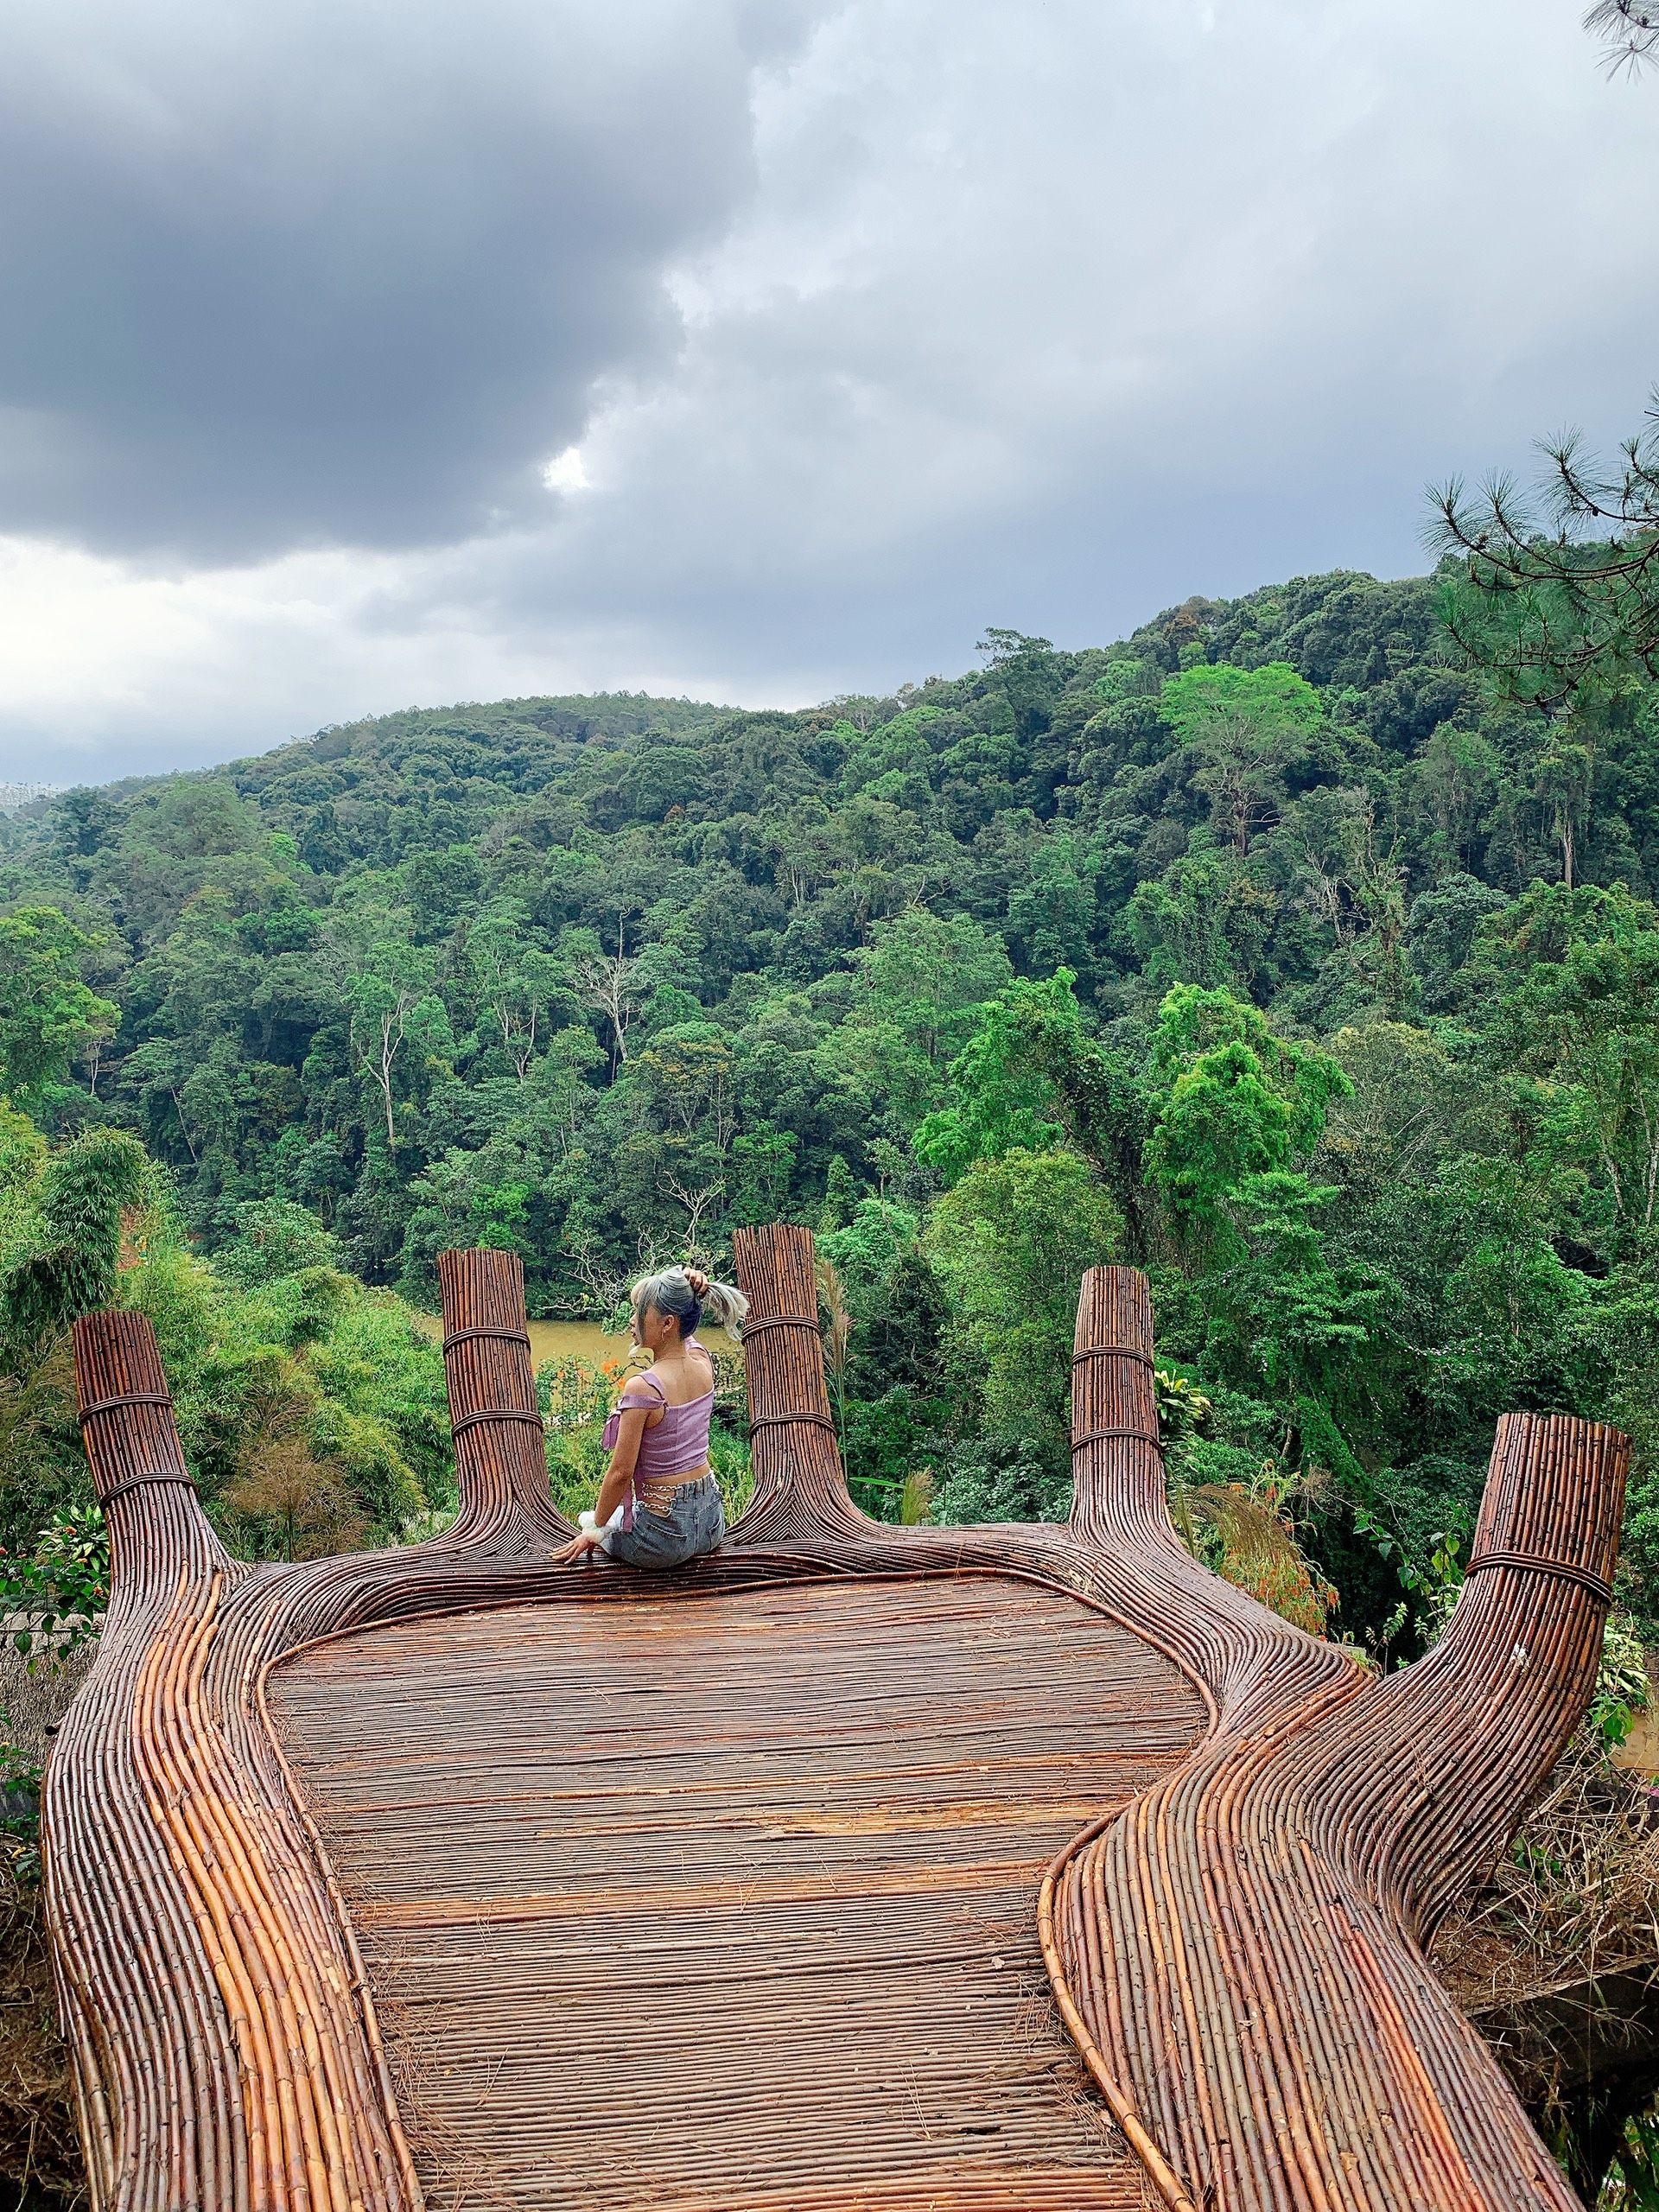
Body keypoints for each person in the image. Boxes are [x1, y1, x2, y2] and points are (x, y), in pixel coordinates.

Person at [552, 1264, 747, 1569]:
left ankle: (594, 1525)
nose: (632, 1321)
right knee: (607, 1518)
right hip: (711, 1525)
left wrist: (594, 1531)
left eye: (640, 1313)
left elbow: (620, 1474)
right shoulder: (703, 1363)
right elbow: (691, 1340)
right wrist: (691, 1288)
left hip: (661, 1541)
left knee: (592, 1521)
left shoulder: (644, 1387)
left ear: (668, 1323)